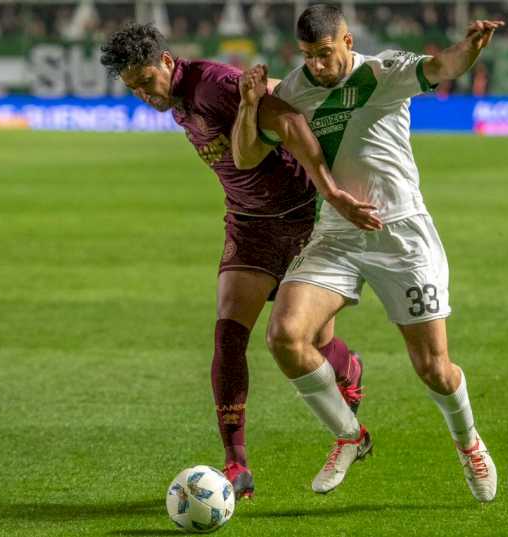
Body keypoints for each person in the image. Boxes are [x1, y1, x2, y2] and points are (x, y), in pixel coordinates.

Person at [230, 4, 503, 501]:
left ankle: (469, 444)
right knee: (285, 336)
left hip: (401, 235)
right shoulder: (294, 90)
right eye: (310, 56)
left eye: (327, 54)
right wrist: (250, 105)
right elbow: (246, 155)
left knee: (434, 369)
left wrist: (470, 47)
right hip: (337, 233)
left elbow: (442, 67)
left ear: (348, 43)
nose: (318, 65)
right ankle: (349, 436)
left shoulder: (384, 72)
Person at [99, 23, 377, 500]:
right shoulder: (179, 100)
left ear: (167, 62)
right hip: (248, 225)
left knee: (311, 341)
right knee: (228, 334)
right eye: (133, 90)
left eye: (147, 81)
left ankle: (347, 367)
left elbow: (288, 121)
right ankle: (236, 464)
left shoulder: (213, 84)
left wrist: (329, 189)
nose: (144, 95)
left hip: (302, 219)